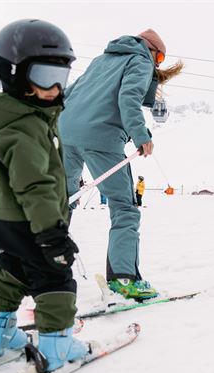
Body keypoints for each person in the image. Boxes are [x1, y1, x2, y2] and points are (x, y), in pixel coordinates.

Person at [0, 19, 86, 373]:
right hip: (27, 221)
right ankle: (56, 347)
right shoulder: (25, 126)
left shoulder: (0, 120)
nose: (53, 89)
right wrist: (52, 234)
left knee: (14, 270)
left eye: (60, 79)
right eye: (44, 76)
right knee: (54, 278)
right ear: (14, 74)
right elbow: (36, 187)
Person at [59, 29, 183, 301]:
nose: (157, 64)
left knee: (63, 200)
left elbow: (69, 93)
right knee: (124, 207)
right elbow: (128, 98)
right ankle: (124, 279)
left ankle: (47, 271)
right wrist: (141, 135)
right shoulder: (140, 60)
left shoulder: (101, 60)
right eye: (159, 57)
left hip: (66, 131)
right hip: (100, 136)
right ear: (151, 49)